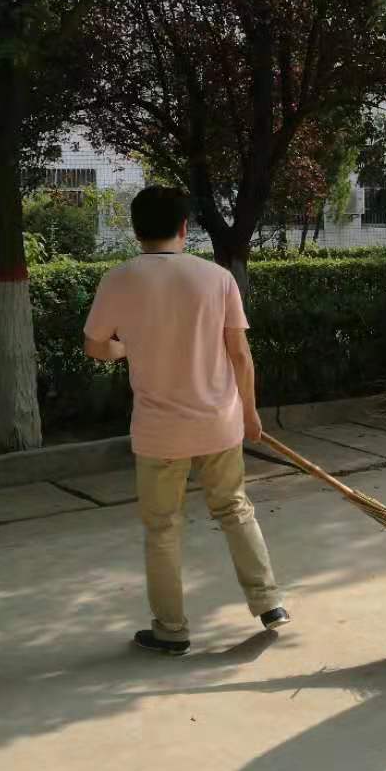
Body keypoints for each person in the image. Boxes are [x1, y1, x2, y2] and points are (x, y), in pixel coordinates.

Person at [84, 186, 288, 655]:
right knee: (235, 509)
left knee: (162, 528)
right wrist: (251, 413)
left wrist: (124, 348)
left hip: (159, 432)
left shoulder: (120, 279)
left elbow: (96, 346)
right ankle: (268, 600)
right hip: (219, 422)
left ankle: (172, 630)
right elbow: (240, 353)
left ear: (136, 231)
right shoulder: (216, 278)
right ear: (184, 228)